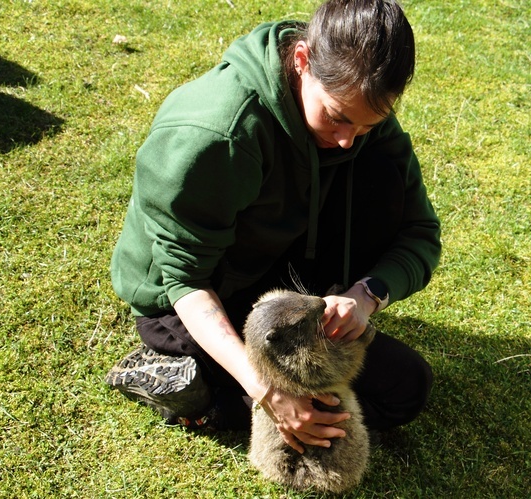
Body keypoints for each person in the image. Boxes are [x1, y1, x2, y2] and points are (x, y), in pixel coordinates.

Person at [106, 0, 440, 454]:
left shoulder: (360, 108)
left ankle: (235, 387)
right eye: (338, 116)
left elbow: (419, 232)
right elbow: (183, 280)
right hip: (192, 294)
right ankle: (192, 386)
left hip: (281, 267)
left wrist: (365, 296)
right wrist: (267, 392)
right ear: (302, 61)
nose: (348, 139)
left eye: (368, 124)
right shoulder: (215, 134)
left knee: (405, 388)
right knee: (309, 420)